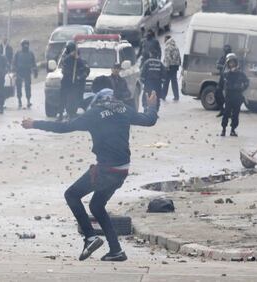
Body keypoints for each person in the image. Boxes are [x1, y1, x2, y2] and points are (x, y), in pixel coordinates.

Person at [22, 88, 158, 262]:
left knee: (71, 195)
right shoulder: (123, 109)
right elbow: (149, 120)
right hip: (122, 170)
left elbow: (64, 127)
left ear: (97, 101)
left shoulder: (94, 114)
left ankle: (90, 238)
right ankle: (116, 250)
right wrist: (152, 106)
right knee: (96, 206)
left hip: (106, 170)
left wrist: (35, 124)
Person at [58, 41, 90, 120]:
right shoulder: (67, 59)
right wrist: (70, 56)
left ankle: (71, 114)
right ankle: (60, 114)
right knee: (62, 99)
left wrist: (78, 59)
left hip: (76, 84)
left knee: (73, 100)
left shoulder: (81, 61)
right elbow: (64, 67)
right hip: (66, 82)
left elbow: (86, 71)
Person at [220, 53, 249, 137]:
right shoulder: (226, 73)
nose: (232, 64)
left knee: (235, 114)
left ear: (236, 63)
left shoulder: (240, 73)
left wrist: (242, 88)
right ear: (228, 64)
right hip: (229, 96)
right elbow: (222, 83)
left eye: (233, 62)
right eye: (230, 63)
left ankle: (233, 130)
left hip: (237, 96)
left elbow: (246, 82)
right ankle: (223, 130)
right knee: (226, 113)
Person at [13, 39, 38, 108]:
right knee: (18, 87)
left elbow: (34, 63)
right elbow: (14, 62)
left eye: (27, 44)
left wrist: (35, 71)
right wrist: (14, 70)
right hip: (19, 72)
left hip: (27, 72)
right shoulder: (18, 53)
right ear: (22, 45)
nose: (26, 46)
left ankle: (28, 100)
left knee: (28, 87)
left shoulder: (30, 53)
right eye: (24, 44)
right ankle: (19, 100)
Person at [215, 45, 233, 117]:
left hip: (230, 79)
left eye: (227, 50)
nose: (226, 52)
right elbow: (217, 65)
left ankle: (229, 112)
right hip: (222, 78)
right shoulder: (223, 57)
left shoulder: (232, 58)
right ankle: (222, 110)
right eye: (225, 50)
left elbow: (236, 67)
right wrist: (223, 67)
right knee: (217, 94)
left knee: (229, 97)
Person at [162, 35, 181, 101]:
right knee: (174, 82)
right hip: (175, 66)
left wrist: (166, 67)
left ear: (167, 39)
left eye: (164, 39)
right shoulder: (175, 46)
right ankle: (176, 96)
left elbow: (167, 58)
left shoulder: (167, 47)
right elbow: (179, 57)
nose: (163, 40)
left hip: (169, 66)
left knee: (166, 82)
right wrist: (178, 64)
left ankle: (163, 96)